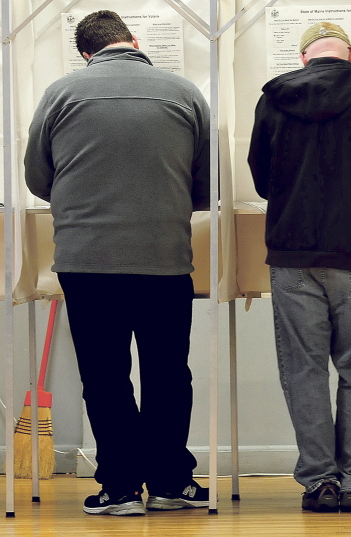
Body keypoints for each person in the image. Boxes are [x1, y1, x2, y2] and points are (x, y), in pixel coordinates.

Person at [23, 10, 211, 516]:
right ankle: (172, 482)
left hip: (87, 261)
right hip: (165, 258)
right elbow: (205, 183)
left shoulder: (60, 94)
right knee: (168, 373)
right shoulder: (185, 92)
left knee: (105, 376)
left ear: (85, 53)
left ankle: (121, 488)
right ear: (133, 40)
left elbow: (37, 178)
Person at [247, 21, 351, 513]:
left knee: (303, 369)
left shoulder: (274, 99)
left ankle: (318, 480)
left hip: (293, 254)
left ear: (305, 59)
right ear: (350, 53)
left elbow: (261, 180)